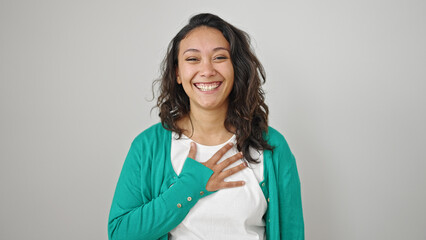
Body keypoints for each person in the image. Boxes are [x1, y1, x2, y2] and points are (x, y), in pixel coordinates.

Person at [108, 13, 304, 240]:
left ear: (236, 68)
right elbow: (119, 234)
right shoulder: (147, 147)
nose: (207, 70)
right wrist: (191, 185)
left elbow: (292, 233)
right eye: (192, 59)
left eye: (220, 57)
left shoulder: (272, 147)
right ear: (178, 73)